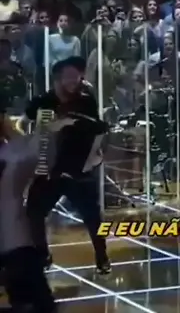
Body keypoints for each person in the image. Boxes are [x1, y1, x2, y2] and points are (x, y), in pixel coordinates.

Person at [23, 56, 111, 274]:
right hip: (50, 169)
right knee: (33, 211)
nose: (74, 80)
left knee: (92, 215)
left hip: (78, 169)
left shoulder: (86, 100)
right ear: (58, 79)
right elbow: (25, 120)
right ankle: (43, 254)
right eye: (69, 76)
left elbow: (95, 128)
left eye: (77, 76)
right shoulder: (44, 102)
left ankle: (102, 255)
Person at [0, 103, 56, 312]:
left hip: (15, 246)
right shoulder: (11, 157)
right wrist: (45, 120)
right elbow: (41, 156)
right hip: (15, 245)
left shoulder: (9, 156)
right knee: (38, 305)